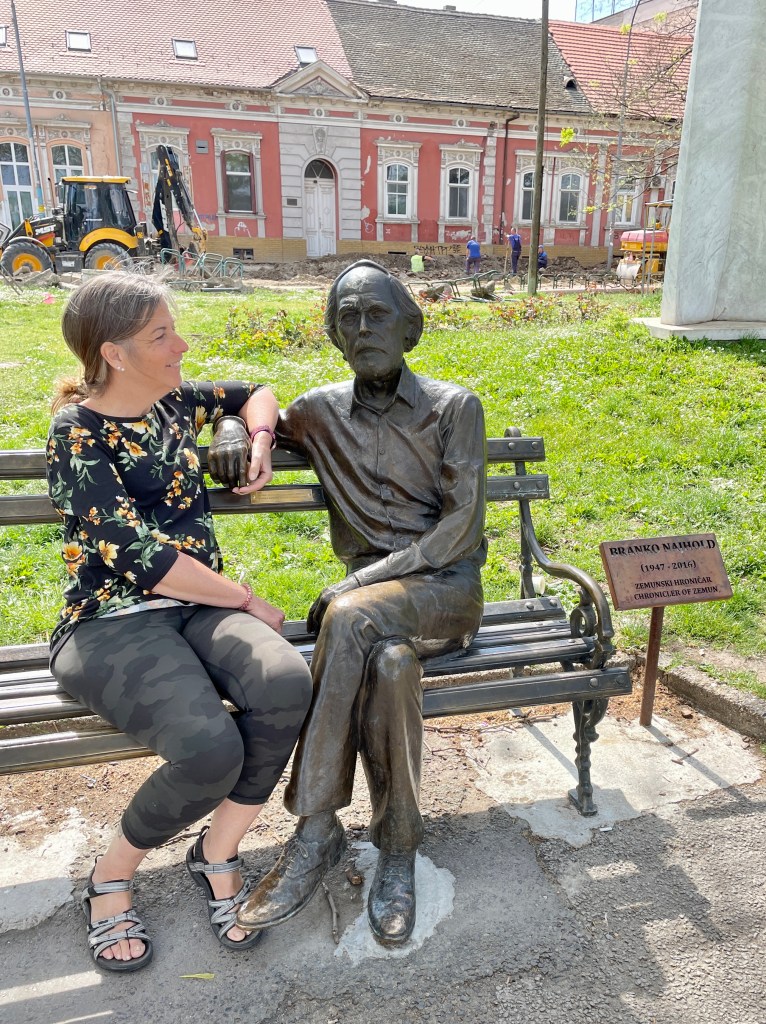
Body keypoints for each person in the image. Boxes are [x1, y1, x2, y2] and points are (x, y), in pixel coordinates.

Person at [209, 259, 487, 947]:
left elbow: (461, 528)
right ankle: (397, 851)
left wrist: (362, 584)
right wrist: (239, 432)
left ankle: (315, 829)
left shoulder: (455, 408)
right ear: (335, 336)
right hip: (370, 621)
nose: (363, 328)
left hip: (445, 591)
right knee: (390, 666)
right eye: (348, 317)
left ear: (410, 329)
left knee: (353, 616)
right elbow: (249, 402)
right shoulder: (320, 412)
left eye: (378, 314)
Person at [45, 273, 313, 972]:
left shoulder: (172, 404)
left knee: (287, 681)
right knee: (207, 748)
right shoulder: (76, 434)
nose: (181, 346)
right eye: (161, 335)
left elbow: (257, 391)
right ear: (114, 354)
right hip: (110, 620)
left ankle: (217, 852)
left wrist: (251, 435)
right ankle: (111, 876)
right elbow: (139, 555)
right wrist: (245, 599)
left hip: (198, 608)